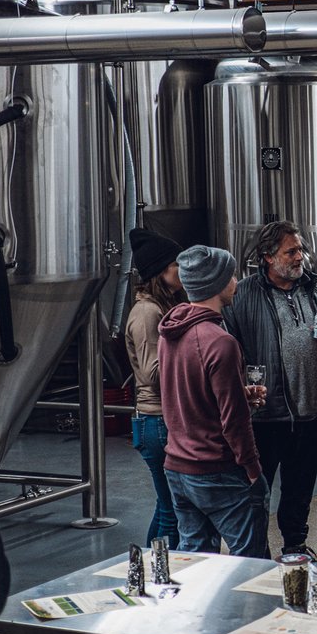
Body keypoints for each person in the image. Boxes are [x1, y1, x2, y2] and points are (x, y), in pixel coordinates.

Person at [222, 220, 317, 559]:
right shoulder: (245, 294)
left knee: (300, 487)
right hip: (264, 414)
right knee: (256, 490)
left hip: (308, 409)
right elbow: (227, 348)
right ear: (267, 256)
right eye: (291, 251)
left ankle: (295, 545)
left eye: (301, 250)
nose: (299, 257)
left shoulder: (314, 289)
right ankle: (254, 552)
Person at [159, 246, 269, 558]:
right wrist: (251, 469)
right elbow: (234, 421)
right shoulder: (221, 342)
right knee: (250, 564)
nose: (236, 281)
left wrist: (240, 391)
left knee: (194, 563)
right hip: (216, 469)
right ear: (217, 283)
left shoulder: (169, 333)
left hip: (178, 468)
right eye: (231, 275)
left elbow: (184, 392)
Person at [124, 227, 186, 548]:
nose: (182, 270)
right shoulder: (148, 312)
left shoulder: (161, 307)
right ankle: (153, 575)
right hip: (155, 421)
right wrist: (196, 367)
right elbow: (153, 372)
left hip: (161, 420)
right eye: (177, 265)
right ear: (161, 271)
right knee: (171, 510)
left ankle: (152, 573)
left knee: (169, 507)